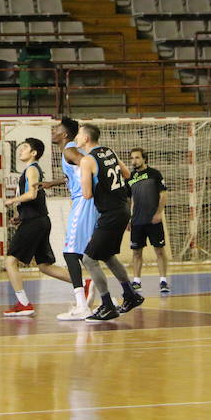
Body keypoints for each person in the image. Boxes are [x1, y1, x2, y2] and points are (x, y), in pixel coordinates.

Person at [76, 124, 144, 322]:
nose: (77, 138)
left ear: (87, 139)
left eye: (79, 134)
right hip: (122, 208)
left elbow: (87, 194)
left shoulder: (87, 160)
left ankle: (107, 305)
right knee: (107, 255)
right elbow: (127, 174)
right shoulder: (109, 151)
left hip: (111, 212)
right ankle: (131, 295)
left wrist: (83, 179)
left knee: (88, 259)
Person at [3, 138, 73, 316]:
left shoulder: (32, 169)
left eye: (24, 147)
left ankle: (23, 303)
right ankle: (83, 284)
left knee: (10, 261)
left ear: (33, 153)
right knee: (44, 265)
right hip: (37, 220)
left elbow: (32, 194)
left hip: (35, 222)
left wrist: (13, 200)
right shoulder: (29, 170)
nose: (20, 150)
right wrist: (21, 216)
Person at [39, 117, 97, 320]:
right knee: (86, 253)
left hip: (83, 200)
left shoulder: (69, 150)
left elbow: (89, 165)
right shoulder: (71, 151)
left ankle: (82, 305)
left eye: (56, 128)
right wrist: (53, 183)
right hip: (85, 201)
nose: (53, 131)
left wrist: (89, 190)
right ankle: (107, 298)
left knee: (70, 252)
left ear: (64, 134)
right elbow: (74, 172)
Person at [126, 148, 170, 293]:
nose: (134, 161)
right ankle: (136, 281)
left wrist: (158, 213)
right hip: (137, 221)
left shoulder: (154, 174)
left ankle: (163, 281)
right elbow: (128, 200)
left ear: (144, 159)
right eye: (132, 158)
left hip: (153, 220)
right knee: (136, 252)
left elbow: (163, 195)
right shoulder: (130, 178)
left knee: (159, 250)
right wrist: (127, 219)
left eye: (137, 157)